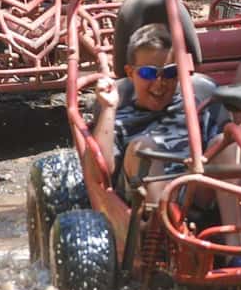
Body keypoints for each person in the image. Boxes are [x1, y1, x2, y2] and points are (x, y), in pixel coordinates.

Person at [92, 23, 221, 188]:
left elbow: (219, 148)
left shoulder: (195, 108)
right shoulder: (119, 119)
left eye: (170, 72)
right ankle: (164, 211)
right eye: (148, 73)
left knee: (225, 141)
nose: (159, 83)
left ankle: (239, 213)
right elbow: (99, 176)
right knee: (143, 147)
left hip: (197, 191)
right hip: (144, 203)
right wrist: (108, 108)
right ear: (131, 73)